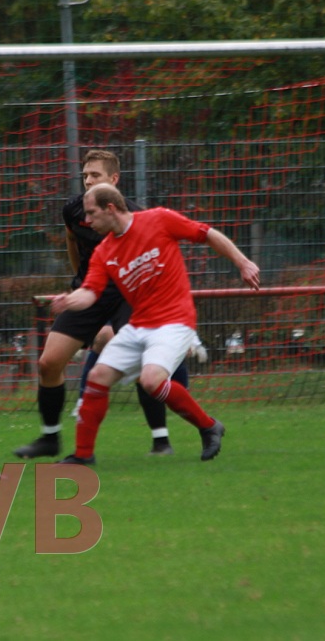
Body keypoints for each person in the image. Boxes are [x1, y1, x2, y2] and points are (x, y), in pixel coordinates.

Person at [51, 183, 261, 464]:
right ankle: (83, 457)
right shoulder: (104, 251)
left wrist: (243, 262)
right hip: (139, 325)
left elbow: (206, 233)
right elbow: (90, 292)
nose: (86, 221)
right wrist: (69, 300)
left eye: (91, 213)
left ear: (110, 208)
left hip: (175, 321)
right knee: (98, 376)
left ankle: (208, 425)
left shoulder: (159, 219)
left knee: (151, 380)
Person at [13, 149, 186, 460]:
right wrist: (78, 282)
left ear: (114, 179)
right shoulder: (73, 210)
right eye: (85, 175)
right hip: (89, 295)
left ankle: (161, 440)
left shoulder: (136, 216)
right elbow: (71, 240)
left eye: (95, 175)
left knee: (145, 363)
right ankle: (50, 438)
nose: (88, 180)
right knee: (48, 363)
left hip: (126, 297)